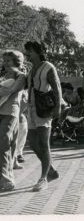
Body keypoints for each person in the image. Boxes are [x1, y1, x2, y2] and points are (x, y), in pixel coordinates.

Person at [24, 41, 62, 192]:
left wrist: (58, 107)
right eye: (26, 51)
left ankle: (43, 178)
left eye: (30, 51)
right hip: (32, 109)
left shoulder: (48, 66)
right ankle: (51, 171)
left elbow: (57, 87)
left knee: (44, 144)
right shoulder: (30, 69)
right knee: (33, 143)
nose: (27, 53)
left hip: (44, 109)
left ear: (38, 52)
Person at [0, 50, 26, 191]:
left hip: (10, 113)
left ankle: (7, 180)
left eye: (8, 60)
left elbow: (12, 90)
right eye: (4, 60)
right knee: (4, 146)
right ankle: (4, 179)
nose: (5, 63)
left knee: (3, 144)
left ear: (17, 61)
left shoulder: (21, 76)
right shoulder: (3, 76)